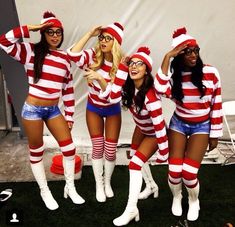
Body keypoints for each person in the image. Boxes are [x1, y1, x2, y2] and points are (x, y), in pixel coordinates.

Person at [0, 11, 85, 210]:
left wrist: (70, 116)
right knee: (37, 150)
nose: (55, 36)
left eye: (58, 32)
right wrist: (30, 28)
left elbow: (68, 89)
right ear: (43, 33)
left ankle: (70, 187)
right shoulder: (30, 51)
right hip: (33, 111)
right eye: (50, 32)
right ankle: (44, 190)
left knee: (69, 148)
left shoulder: (65, 57)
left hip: (53, 110)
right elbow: (4, 41)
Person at [154, 27, 223, 221]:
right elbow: (159, 88)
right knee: (174, 171)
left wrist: (214, 134)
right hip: (179, 124)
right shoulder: (175, 77)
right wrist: (167, 57)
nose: (193, 55)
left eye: (195, 51)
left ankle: (194, 201)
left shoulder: (210, 73)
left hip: (202, 126)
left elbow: (216, 105)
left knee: (189, 173)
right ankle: (177, 197)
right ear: (179, 56)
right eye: (187, 52)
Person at [104, 46, 169, 226]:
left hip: (155, 133)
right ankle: (151, 186)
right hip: (141, 128)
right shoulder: (130, 87)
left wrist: (164, 151)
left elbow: (159, 126)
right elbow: (112, 96)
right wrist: (123, 68)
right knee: (134, 157)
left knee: (134, 164)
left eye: (139, 64)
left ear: (146, 70)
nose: (134, 67)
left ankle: (132, 209)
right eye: (132, 63)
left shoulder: (151, 96)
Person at [67, 23, 124, 202]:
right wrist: (90, 33)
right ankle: (99, 184)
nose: (103, 41)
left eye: (108, 38)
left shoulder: (122, 64)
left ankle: (107, 182)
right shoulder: (92, 55)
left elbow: (114, 97)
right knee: (98, 148)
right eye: (101, 37)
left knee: (111, 150)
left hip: (112, 109)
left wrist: (100, 78)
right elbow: (72, 54)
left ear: (116, 42)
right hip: (94, 109)